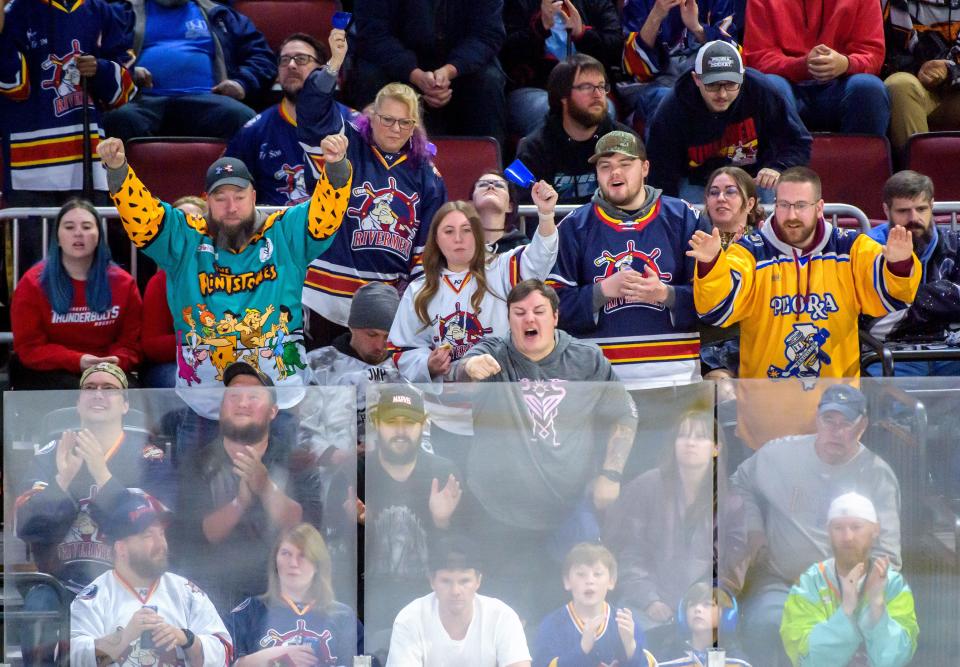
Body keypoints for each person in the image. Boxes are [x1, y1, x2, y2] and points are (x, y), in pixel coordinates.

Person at [96, 130, 352, 420]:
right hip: (201, 402)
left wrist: (336, 168)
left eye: (239, 196)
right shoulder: (186, 239)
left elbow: (326, 215)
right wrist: (119, 171)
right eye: (221, 198)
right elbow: (144, 219)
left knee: (277, 467)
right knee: (194, 468)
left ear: (254, 196)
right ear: (207, 200)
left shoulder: (284, 232)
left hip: (280, 399)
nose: (231, 207)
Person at [688, 166, 920, 447]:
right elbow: (717, 309)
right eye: (784, 205)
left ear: (819, 207)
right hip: (766, 425)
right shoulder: (751, 250)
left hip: (837, 425)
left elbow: (892, 297)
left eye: (801, 205)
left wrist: (898, 264)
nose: (792, 215)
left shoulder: (850, 247)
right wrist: (712, 265)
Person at [452, 279, 638, 621]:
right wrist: (467, 368)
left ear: (555, 317)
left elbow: (625, 412)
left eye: (538, 312)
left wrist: (611, 473)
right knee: (505, 610)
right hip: (499, 511)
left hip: (566, 507)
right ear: (509, 318)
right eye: (519, 313)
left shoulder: (585, 359)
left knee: (575, 603)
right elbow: (456, 375)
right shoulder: (493, 352)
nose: (528, 320)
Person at [15, 363, 176, 667]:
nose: (98, 394)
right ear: (78, 402)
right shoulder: (50, 452)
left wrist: (102, 475)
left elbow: (150, 528)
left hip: (127, 581)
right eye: (89, 388)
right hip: (60, 583)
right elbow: (27, 525)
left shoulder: (149, 457)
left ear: (126, 404)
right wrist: (61, 481)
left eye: (109, 388)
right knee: (39, 605)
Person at [730, 385, 902, 662]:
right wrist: (754, 529)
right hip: (782, 581)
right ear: (816, 419)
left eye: (847, 423)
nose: (837, 430)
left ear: (863, 426)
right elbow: (738, 483)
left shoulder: (877, 475)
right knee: (765, 623)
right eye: (829, 420)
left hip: (848, 591)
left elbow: (889, 556)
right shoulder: (779, 455)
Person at [296, 29, 447, 342]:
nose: (395, 129)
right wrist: (333, 64)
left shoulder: (427, 175)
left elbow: (425, 251)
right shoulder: (346, 142)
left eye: (405, 123)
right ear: (372, 116)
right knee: (326, 385)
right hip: (326, 296)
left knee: (382, 390)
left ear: (414, 126)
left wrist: (416, 306)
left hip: (385, 307)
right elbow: (311, 113)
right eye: (387, 119)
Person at [547, 130, 707, 388]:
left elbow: (713, 303)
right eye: (605, 166)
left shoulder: (685, 218)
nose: (615, 173)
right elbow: (550, 308)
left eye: (625, 164)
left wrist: (666, 294)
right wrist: (601, 291)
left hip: (675, 381)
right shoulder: (573, 226)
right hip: (598, 385)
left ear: (645, 168)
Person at [171, 361, 324, 614]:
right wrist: (239, 503)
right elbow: (191, 538)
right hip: (212, 590)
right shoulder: (197, 462)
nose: (242, 403)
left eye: (253, 397)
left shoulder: (297, 461)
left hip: (278, 588)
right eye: (233, 396)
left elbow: (308, 531)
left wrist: (265, 487)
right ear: (221, 408)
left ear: (273, 411)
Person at [389, 184, 559, 383]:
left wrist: (546, 215)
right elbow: (402, 349)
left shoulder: (502, 269)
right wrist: (427, 364)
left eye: (466, 230)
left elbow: (541, 256)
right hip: (446, 402)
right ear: (436, 239)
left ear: (478, 235)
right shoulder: (419, 289)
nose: (458, 239)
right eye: (449, 231)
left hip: (501, 393)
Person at [604, 410, 748, 644]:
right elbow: (628, 551)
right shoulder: (646, 487)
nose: (690, 442)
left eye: (700, 437)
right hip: (645, 601)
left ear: (716, 449)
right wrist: (649, 599)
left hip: (702, 607)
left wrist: (701, 601)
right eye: (683, 436)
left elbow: (734, 563)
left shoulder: (731, 501)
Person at [69, 491, 232, 667]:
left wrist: (186, 638)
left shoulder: (186, 592)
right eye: (148, 535)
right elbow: (73, 659)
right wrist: (123, 637)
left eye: (161, 533)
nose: (161, 543)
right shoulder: (93, 599)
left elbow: (225, 652)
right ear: (121, 549)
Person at [359, 385, 463, 657]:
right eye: (392, 421)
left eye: (410, 423)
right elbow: (336, 567)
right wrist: (357, 530)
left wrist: (442, 522)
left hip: (431, 608)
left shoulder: (443, 473)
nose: (402, 431)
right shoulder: (355, 474)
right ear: (376, 423)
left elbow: (465, 558)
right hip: (368, 612)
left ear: (423, 425)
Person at [0, 0, 136, 204]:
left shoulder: (103, 11)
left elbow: (125, 91)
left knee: (87, 234)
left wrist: (100, 70)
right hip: (29, 165)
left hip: (88, 161)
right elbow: (15, 86)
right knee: (34, 236)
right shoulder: (15, 12)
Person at [645, 40, 812, 203]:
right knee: (683, 205)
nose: (722, 94)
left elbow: (798, 142)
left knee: (772, 187)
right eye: (713, 85)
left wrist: (777, 168)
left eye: (731, 84)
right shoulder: (673, 108)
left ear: (742, 77)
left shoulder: (762, 91)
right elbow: (660, 174)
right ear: (697, 79)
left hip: (754, 179)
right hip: (699, 184)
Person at [10, 199, 142, 390]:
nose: (78, 233)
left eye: (87, 227)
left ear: (99, 236)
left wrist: (112, 363)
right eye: (69, 227)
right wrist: (77, 360)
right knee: (79, 391)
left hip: (108, 369)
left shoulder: (123, 283)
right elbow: (29, 347)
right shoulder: (32, 284)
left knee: (122, 393)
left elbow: (131, 343)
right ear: (58, 237)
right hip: (49, 371)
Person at [100, 0, 276, 142]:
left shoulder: (220, 15)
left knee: (243, 117)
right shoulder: (123, 13)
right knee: (118, 119)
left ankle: (235, 185)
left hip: (206, 100)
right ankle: (121, 185)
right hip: (141, 101)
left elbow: (262, 58)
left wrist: (242, 83)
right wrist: (129, 72)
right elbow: (98, 57)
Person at [780, 493, 918, 667]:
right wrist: (846, 609)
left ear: (875, 530)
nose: (847, 537)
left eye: (856, 527)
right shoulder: (809, 584)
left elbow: (895, 659)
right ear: (828, 531)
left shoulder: (893, 584)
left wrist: (877, 606)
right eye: (838, 528)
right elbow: (808, 660)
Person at [352, 0, 507, 146]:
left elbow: (488, 34)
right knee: (369, 74)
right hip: (398, 68)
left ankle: (489, 169)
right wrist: (414, 74)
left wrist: (449, 71)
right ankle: (371, 164)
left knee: (489, 80)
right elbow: (373, 34)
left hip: (460, 71)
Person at [226, 32, 356, 207]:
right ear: (277, 74)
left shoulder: (355, 124)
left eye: (301, 59)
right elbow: (226, 187)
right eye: (284, 60)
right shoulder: (254, 131)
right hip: (277, 229)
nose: (291, 65)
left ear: (322, 70)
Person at [743, 0, 889, 136]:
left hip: (841, 84)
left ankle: (861, 162)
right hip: (788, 85)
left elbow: (872, 53)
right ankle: (779, 163)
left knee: (868, 88)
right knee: (770, 88)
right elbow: (757, 57)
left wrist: (846, 64)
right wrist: (800, 66)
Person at [865, 170, 960, 376]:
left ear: (932, 206)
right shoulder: (867, 249)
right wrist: (943, 300)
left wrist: (908, 302)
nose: (913, 218)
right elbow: (872, 323)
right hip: (890, 354)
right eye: (903, 211)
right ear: (886, 210)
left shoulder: (956, 244)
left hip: (952, 352)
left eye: (921, 209)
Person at [228, 523, 363, 665]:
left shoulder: (343, 617)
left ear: (318, 564)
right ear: (275, 560)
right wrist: (271, 657)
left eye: (303, 555)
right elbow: (215, 656)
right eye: (286, 553)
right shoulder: (251, 611)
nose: (293, 563)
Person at [386, 536, 532, 667]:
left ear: (478, 581)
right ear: (432, 581)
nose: (455, 591)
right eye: (446, 581)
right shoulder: (410, 619)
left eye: (464, 581)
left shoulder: (502, 617)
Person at [515, 54, 633, 205]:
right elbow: (519, 208)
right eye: (586, 87)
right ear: (562, 95)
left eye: (601, 87)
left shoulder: (626, 142)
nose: (597, 94)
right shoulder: (532, 148)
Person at [303, 281, 403, 458]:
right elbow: (302, 427)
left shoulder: (405, 366)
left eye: (387, 336)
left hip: (391, 473)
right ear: (352, 326)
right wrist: (335, 456)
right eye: (371, 335)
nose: (380, 345)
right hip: (332, 477)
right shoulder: (318, 364)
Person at [501, 0, 623, 137]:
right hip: (534, 88)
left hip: (589, 87)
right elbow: (505, 52)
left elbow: (616, 51)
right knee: (550, 112)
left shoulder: (597, 3)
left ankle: (591, 158)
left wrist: (583, 34)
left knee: (603, 111)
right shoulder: (518, 4)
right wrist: (539, 29)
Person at [532, 543, 656, 667]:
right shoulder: (553, 625)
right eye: (581, 574)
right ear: (567, 581)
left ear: (611, 581)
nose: (590, 581)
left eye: (597, 574)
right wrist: (583, 648)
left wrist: (630, 645)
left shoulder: (625, 622)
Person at [697, 167, 764, 384]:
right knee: (723, 393)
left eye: (730, 192)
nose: (721, 198)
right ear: (707, 201)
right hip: (713, 346)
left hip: (761, 342)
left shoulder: (767, 244)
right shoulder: (694, 244)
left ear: (750, 203)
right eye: (714, 193)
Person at [619, 0, 736, 122]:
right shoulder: (638, 3)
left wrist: (697, 29)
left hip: (705, 77)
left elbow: (732, 57)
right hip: (655, 84)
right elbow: (634, 69)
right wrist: (656, 15)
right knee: (666, 100)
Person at [140, 198, 208, 389]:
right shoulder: (160, 281)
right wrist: (202, 340)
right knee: (180, 382)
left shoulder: (232, 274)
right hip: (172, 363)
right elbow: (152, 346)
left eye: (194, 221)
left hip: (221, 358)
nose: (187, 229)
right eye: (179, 223)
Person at [883, 2, 960, 153]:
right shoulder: (887, 4)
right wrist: (921, 70)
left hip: (956, 92)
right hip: (916, 89)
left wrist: (950, 70)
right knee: (899, 85)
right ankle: (917, 174)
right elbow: (880, 57)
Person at [656, 583, 752, 666]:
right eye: (692, 605)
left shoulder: (737, 662)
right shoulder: (668, 658)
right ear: (683, 615)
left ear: (726, 615)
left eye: (708, 604)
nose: (697, 609)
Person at [472, 171, 528, 254]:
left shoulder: (523, 249)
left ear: (510, 206)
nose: (491, 186)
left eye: (499, 185)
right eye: (482, 185)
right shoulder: (459, 243)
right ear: (471, 204)